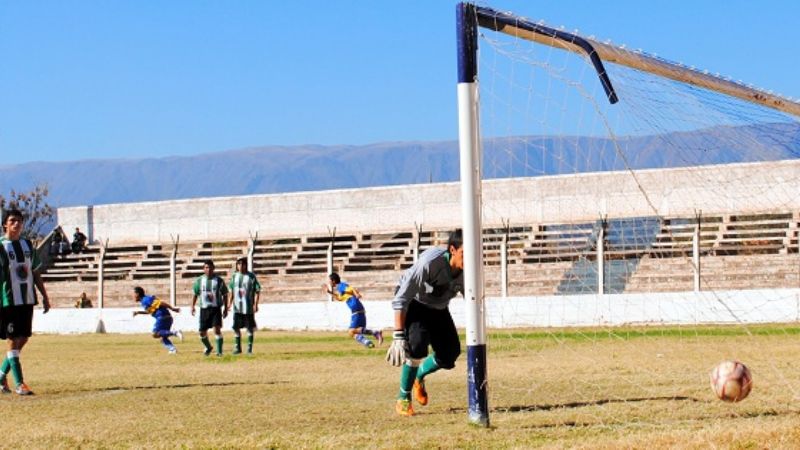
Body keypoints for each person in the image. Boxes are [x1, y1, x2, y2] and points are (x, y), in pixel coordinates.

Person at [386, 229, 465, 417]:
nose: (470, 258)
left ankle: (419, 375)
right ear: (453, 250)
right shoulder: (429, 263)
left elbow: (473, 298)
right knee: (416, 347)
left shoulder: (470, 271)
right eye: (465, 253)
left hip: (439, 308)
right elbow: (401, 298)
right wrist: (398, 336)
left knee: (450, 354)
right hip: (416, 303)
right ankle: (403, 398)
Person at [0, 208, 51, 395]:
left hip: (27, 299)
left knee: (24, 337)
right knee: (12, 340)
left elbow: (36, 272)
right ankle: (20, 384)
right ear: (5, 224)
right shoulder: (1, 246)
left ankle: (0, 375)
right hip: (8, 300)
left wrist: (44, 296)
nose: (16, 224)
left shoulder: (28, 246)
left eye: (19, 221)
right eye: (12, 220)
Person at [323, 272, 382, 348]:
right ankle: (368, 343)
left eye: (329, 280)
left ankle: (375, 333)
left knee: (351, 331)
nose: (329, 282)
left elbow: (351, 288)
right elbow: (340, 298)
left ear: (333, 281)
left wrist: (357, 294)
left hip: (355, 308)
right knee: (355, 332)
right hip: (358, 309)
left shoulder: (341, 286)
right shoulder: (340, 288)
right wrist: (330, 292)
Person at [191, 260, 229, 356]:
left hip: (216, 308)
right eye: (206, 267)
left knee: (216, 329)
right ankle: (208, 347)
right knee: (202, 332)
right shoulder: (199, 281)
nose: (208, 269)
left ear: (214, 268)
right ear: (203, 269)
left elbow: (225, 294)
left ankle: (219, 352)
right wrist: (192, 306)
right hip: (204, 309)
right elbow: (195, 294)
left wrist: (225, 308)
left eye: (210, 267)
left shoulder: (219, 280)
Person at [132, 286, 183, 354]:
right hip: (167, 317)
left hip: (162, 317)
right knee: (162, 337)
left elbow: (161, 303)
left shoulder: (146, 299)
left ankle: (175, 332)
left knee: (154, 333)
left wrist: (173, 309)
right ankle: (172, 349)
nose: (132, 296)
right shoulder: (144, 301)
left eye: (133, 294)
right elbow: (150, 311)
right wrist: (138, 312)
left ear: (137, 294)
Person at [228, 257, 260, 354]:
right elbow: (231, 290)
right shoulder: (234, 276)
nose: (241, 266)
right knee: (236, 328)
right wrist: (229, 303)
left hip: (248, 308)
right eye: (239, 264)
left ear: (246, 265)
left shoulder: (251, 276)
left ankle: (249, 348)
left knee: (249, 328)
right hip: (237, 308)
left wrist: (256, 304)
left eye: (243, 264)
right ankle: (238, 348)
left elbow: (257, 291)